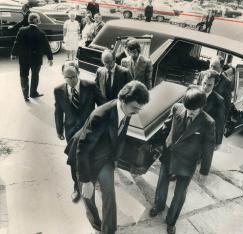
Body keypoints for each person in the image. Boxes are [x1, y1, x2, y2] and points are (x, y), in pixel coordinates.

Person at [64, 81, 149, 234]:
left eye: (140, 108)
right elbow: (82, 149)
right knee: (88, 196)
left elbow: (119, 136)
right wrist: (86, 180)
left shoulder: (127, 110)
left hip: (104, 158)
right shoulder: (100, 116)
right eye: (135, 107)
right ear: (123, 100)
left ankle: (108, 231)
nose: (137, 112)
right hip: (84, 158)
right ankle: (96, 225)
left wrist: (114, 160)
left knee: (109, 194)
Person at [149, 87, 215, 234]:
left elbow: (208, 148)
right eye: (188, 108)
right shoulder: (176, 108)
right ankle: (158, 206)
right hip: (169, 155)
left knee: (179, 194)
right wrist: (159, 144)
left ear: (202, 106)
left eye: (194, 109)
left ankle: (171, 221)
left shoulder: (208, 122)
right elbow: (166, 126)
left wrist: (204, 171)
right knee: (161, 184)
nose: (190, 111)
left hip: (188, 162)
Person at [54, 61, 105, 203]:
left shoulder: (90, 86)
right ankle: (77, 187)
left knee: (91, 156)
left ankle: (92, 181)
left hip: (90, 130)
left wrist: (102, 125)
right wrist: (59, 129)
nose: (70, 81)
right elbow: (58, 111)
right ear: (63, 76)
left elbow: (103, 106)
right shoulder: (58, 90)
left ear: (78, 74)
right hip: (71, 132)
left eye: (73, 77)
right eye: (67, 78)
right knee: (74, 160)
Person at [11, 13, 53, 102]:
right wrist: (50, 58)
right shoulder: (41, 33)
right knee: (35, 75)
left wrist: (13, 54)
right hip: (36, 59)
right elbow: (47, 46)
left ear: (29, 20)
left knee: (23, 76)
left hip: (23, 59)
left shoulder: (22, 30)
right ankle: (33, 93)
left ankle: (25, 96)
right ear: (37, 21)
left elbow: (16, 43)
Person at [200, 70, 225, 150]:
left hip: (203, 137)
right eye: (204, 83)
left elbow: (220, 122)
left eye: (209, 85)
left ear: (215, 85)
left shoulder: (218, 101)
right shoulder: (191, 91)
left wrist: (218, 142)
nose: (205, 87)